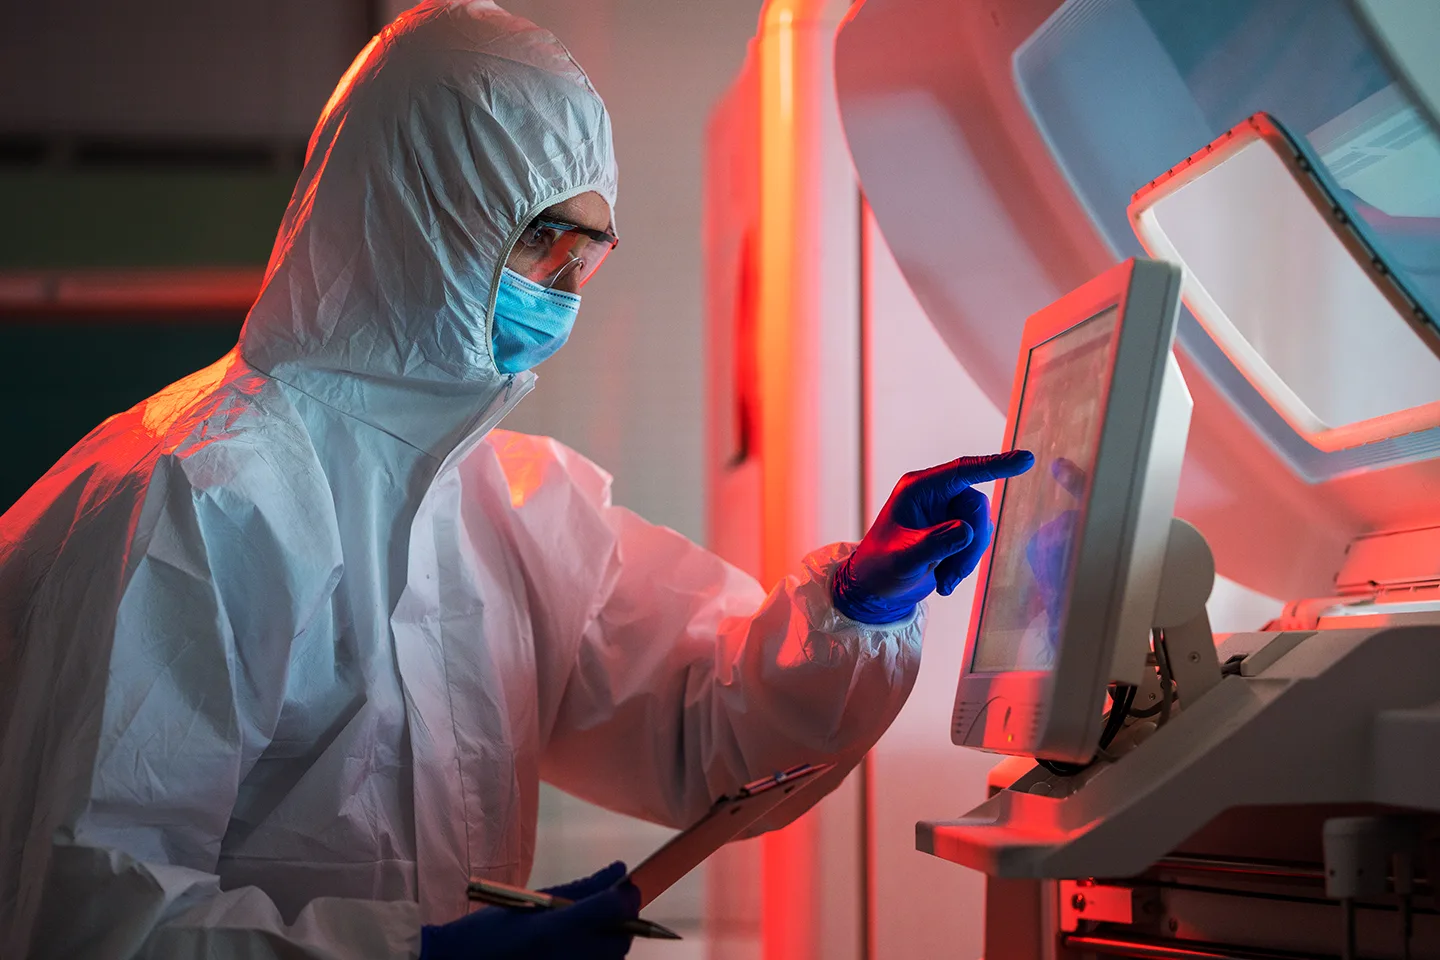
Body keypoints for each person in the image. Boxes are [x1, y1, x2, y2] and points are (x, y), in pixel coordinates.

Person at [0, 3, 1033, 958]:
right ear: (407, 210)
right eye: (538, 240)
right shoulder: (198, 498)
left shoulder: (505, 503)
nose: (562, 296)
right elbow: (92, 920)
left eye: (583, 256)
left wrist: (855, 605)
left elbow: (701, 728)